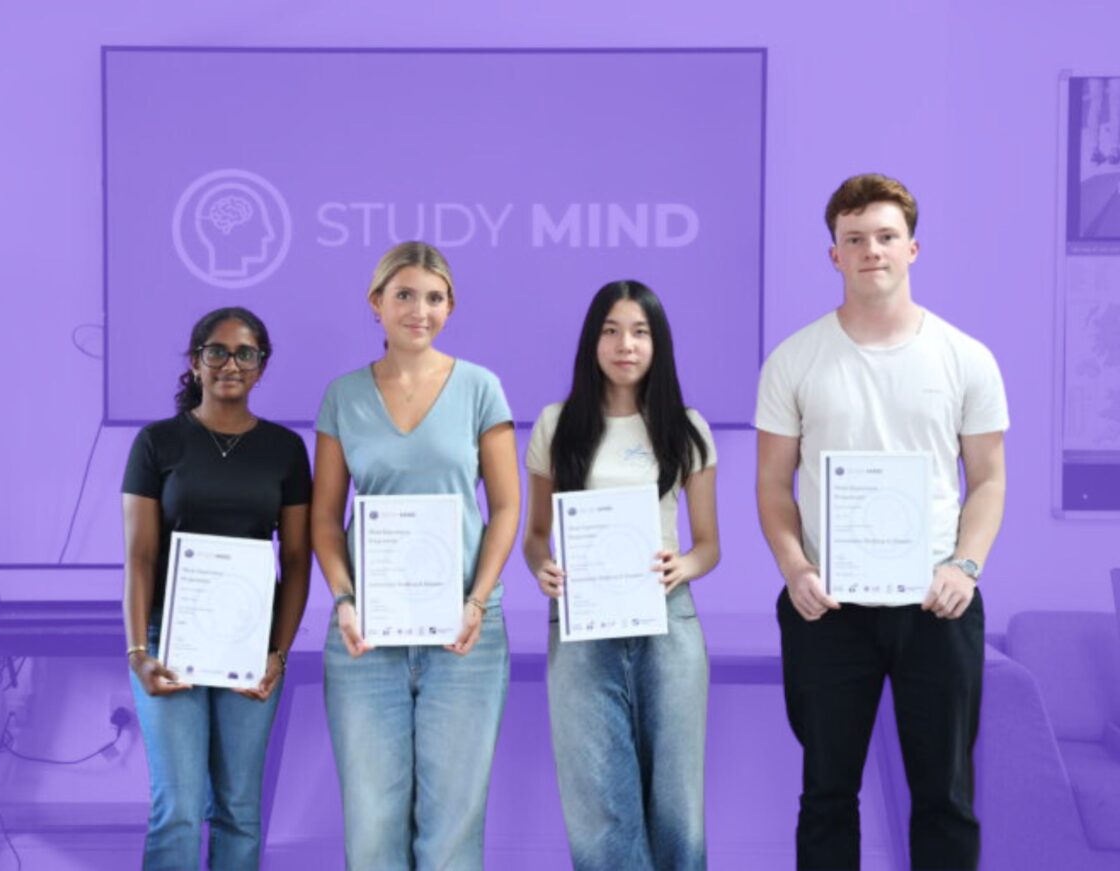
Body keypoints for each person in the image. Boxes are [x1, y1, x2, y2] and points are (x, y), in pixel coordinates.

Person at [755, 174, 1008, 870]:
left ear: (914, 248)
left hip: (938, 601)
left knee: (946, 795)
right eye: (855, 239)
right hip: (827, 605)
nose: (872, 250)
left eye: (886, 236)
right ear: (833, 254)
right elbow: (773, 486)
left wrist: (966, 565)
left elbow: (987, 480)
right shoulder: (794, 359)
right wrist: (794, 568)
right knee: (827, 794)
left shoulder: (965, 357)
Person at [311, 240, 520, 870]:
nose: (418, 310)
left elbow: (507, 508)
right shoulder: (343, 395)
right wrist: (344, 601)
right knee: (373, 824)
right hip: (365, 635)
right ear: (376, 304)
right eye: (403, 295)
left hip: (465, 632)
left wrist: (477, 601)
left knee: (452, 825)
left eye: (433, 298)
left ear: (450, 307)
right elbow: (324, 518)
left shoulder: (481, 387)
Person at [522, 280, 720, 871]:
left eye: (639, 332)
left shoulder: (686, 428)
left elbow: (709, 545)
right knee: (600, 806)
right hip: (582, 628)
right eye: (610, 331)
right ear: (592, 342)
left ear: (657, 344)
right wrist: (543, 569)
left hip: (668, 624)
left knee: (678, 805)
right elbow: (535, 535)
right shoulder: (557, 425)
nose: (625, 345)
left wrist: (682, 564)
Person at [121, 306, 312, 870]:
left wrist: (278, 653)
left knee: (238, 808)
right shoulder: (157, 443)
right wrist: (139, 652)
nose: (231, 363)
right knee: (177, 806)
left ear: (261, 367)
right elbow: (139, 554)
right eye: (218, 351)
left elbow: (298, 558)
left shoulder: (284, 449)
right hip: (168, 642)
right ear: (196, 362)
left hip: (249, 646)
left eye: (246, 353)